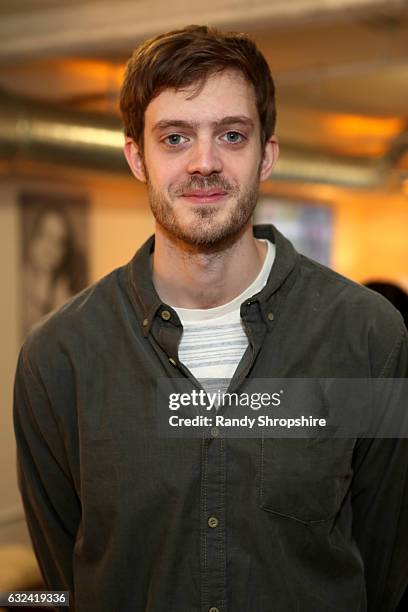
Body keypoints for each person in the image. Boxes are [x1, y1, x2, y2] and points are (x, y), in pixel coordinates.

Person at [13, 25, 408, 612]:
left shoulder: (368, 337)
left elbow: (384, 565)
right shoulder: (60, 358)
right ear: (136, 157)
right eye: (174, 137)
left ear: (266, 155)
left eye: (231, 134)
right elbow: (66, 577)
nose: (204, 163)